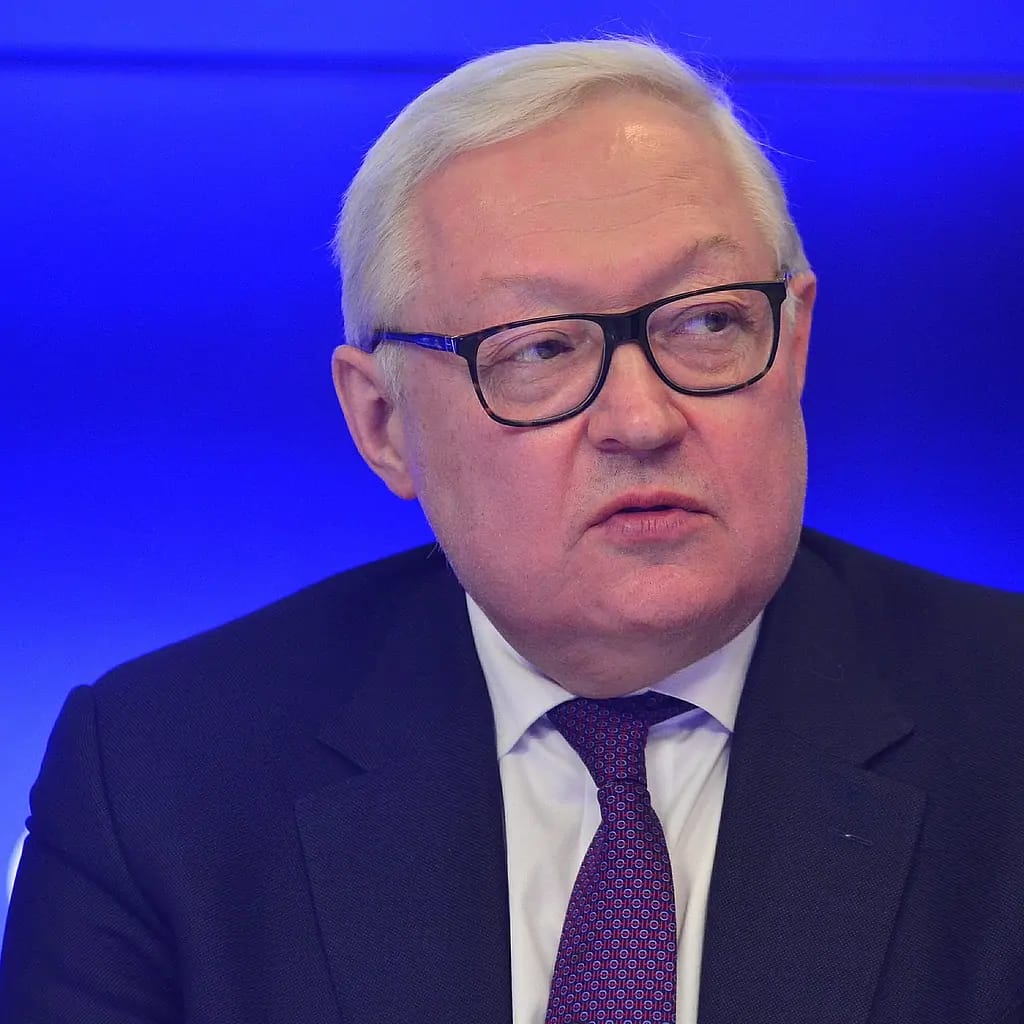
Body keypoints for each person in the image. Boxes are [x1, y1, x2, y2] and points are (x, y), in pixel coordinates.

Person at [2, 37, 1022, 1024]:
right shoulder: (158, 780)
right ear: (383, 424)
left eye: (707, 322)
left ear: (792, 343)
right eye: (538, 349)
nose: (641, 419)